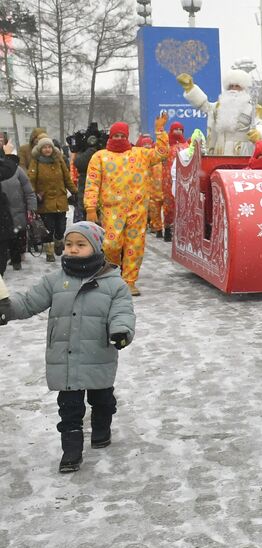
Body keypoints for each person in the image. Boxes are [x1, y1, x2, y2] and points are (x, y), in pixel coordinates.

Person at [3, 221, 135, 473]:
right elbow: (29, 302)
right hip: (65, 357)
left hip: (98, 354)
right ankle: (71, 452)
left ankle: (101, 429)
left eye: (80, 245)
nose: (72, 250)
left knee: (103, 400)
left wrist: (121, 332)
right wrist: (6, 309)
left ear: (95, 247)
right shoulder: (55, 280)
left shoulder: (113, 284)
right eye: (69, 244)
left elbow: (122, 312)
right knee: (70, 409)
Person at [83, 122, 157, 296]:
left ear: (127, 137)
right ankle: (114, 271)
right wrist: (90, 207)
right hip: (112, 209)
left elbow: (162, 154)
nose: (119, 139)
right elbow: (92, 182)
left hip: (137, 209)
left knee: (135, 245)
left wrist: (160, 132)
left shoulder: (140, 154)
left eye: (123, 136)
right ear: (110, 137)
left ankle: (129, 281)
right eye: (116, 136)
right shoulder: (100, 156)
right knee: (111, 244)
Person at [179, 68, 262, 155]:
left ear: (243, 88)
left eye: (237, 86)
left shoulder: (254, 108)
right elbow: (205, 105)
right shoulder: (219, 106)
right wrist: (191, 89)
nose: (233, 89)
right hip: (220, 150)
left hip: (243, 151)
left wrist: (259, 132)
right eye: (231, 86)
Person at [26, 136, 76, 263]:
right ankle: (49, 252)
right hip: (45, 199)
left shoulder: (59, 160)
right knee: (49, 228)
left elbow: (67, 178)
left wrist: (75, 192)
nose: (47, 149)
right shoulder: (36, 161)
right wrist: (33, 194)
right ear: (40, 149)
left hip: (60, 198)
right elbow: (31, 179)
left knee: (61, 227)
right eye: (44, 147)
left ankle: (59, 241)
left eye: (49, 147)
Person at [0, 151, 37, 271]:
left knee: (15, 237)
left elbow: (28, 190)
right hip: (5, 213)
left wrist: (32, 208)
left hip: (16, 210)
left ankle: (16, 260)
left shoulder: (16, 169)